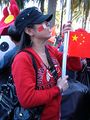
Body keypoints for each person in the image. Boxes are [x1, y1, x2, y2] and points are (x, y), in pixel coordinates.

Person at [12, 7, 82, 120]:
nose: (48, 25)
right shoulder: (22, 59)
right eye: (43, 23)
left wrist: (70, 40)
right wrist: (58, 88)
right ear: (29, 31)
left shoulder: (50, 51)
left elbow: (75, 65)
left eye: (47, 22)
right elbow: (27, 99)